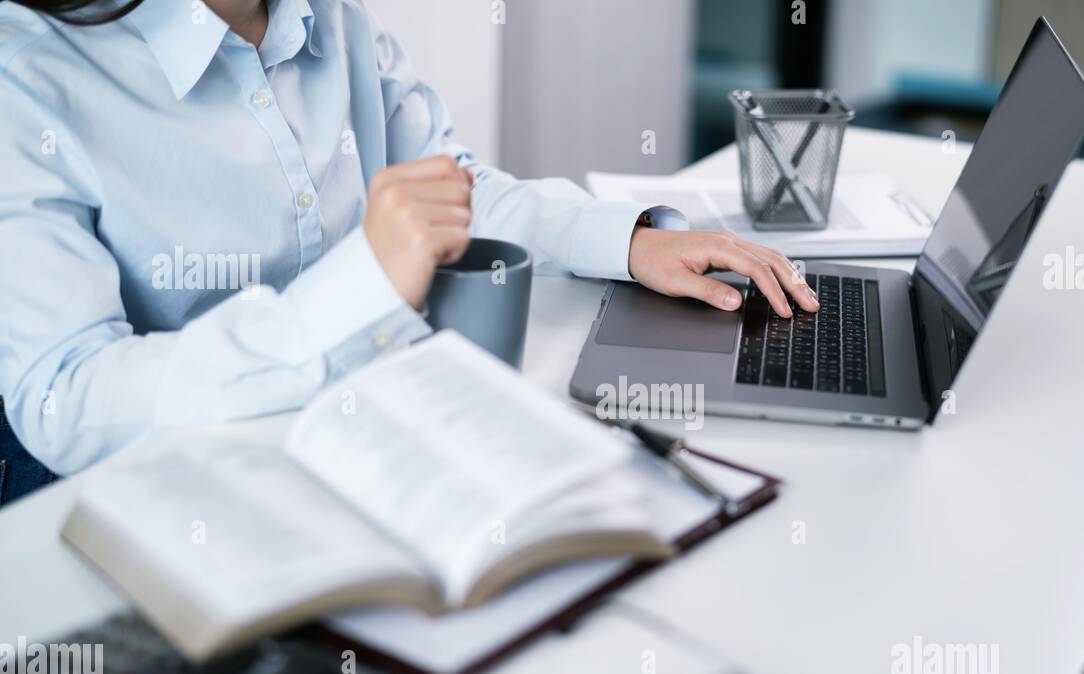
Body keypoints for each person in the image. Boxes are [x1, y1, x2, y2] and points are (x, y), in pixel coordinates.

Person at [0, 0, 818, 508]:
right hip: (178, 510)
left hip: (374, 450)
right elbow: (63, 398)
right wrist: (361, 284)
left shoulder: (336, 18)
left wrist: (626, 242)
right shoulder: (25, 75)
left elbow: (451, 189)